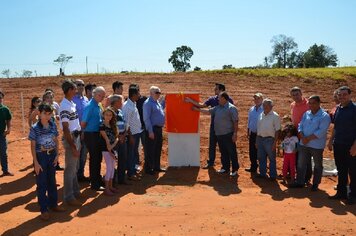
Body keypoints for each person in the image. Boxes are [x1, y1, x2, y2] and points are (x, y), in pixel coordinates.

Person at [29, 103, 65, 221]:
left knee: (52, 181)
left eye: (49, 114)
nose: (47, 116)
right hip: (41, 157)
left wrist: (57, 155)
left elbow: (56, 140)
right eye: (45, 113)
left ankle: (53, 204)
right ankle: (44, 209)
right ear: (39, 113)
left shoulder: (52, 125)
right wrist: (36, 162)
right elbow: (33, 146)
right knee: (42, 183)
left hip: (51, 156)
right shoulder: (35, 128)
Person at [185, 83, 234, 169]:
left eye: (216, 89)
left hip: (225, 128)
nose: (214, 90)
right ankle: (211, 162)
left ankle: (226, 165)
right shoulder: (212, 99)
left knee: (224, 146)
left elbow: (232, 115)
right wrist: (190, 101)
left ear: (221, 90)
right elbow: (202, 105)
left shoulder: (228, 100)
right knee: (212, 145)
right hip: (214, 126)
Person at [193, 92, 239, 176]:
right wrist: (197, 110)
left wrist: (235, 133)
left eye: (219, 98)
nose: (218, 99)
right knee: (223, 152)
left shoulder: (232, 108)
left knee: (232, 152)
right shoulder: (218, 108)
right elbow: (208, 111)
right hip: (219, 134)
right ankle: (225, 168)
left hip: (228, 134)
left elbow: (235, 122)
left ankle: (235, 169)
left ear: (224, 99)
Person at [290, 95, 331, 191]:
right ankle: (300, 182)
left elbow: (321, 131)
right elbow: (300, 125)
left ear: (318, 103)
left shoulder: (324, 116)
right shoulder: (307, 113)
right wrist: (302, 136)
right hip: (303, 144)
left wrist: (307, 138)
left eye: (313, 103)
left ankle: (315, 183)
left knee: (317, 165)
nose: (311, 105)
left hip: (316, 146)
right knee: (301, 164)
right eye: (310, 103)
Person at [328, 86, 356, 205]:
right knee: (341, 170)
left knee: (353, 171)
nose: (342, 97)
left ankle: (354, 195)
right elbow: (336, 126)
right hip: (338, 144)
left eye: (344, 94)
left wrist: (355, 146)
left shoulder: (354, 109)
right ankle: (341, 192)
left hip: (350, 146)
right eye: (340, 95)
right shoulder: (338, 108)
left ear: (350, 95)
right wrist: (330, 140)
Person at [59, 79, 82, 206]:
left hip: (76, 136)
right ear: (69, 91)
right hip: (71, 139)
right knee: (70, 169)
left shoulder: (71, 103)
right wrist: (73, 145)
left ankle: (75, 191)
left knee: (74, 167)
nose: (76, 91)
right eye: (74, 89)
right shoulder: (64, 106)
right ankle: (68, 196)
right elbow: (66, 128)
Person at [81, 86, 106, 191]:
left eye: (103, 96)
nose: (102, 97)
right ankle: (94, 184)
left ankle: (97, 179)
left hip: (97, 134)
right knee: (94, 159)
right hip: (91, 134)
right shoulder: (90, 106)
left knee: (98, 158)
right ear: (94, 94)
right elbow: (83, 123)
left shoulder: (97, 105)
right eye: (100, 95)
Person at [290, 86, 312, 184]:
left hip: (306, 135)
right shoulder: (292, 105)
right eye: (293, 95)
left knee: (306, 158)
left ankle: (306, 178)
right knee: (297, 156)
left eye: (297, 94)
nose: (295, 97)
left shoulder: (308, 104)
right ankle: (299, 176)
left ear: (301, 94)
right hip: (296, 135)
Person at [143, 86, 166, 175]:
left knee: (157, 148)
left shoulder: (157, 102)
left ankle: (156, 166)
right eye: (157, 92)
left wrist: (165, 101)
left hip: (158, 129)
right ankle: (149, 169)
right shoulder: (148, 103)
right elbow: (146, 118)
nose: (159, 94)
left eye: (160, 92)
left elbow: (160, 110)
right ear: (151, 93)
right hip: (152, 129)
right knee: (150, 150)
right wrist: (150, 131)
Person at [256, 98, 281, 180]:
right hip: (260, 139)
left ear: (271, 106)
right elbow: (258, 128)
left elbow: (277, 130)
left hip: (270, 140)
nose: (265, 106)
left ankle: (273, 175)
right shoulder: (261, 114)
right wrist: (257, 140)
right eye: (264, 105)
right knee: (261, 157)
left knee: (271, 158)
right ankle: (262, 173)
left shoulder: (275, 116)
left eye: (267, 105)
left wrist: (275, 143)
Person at [123, 86, 144, 180]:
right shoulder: (127, 106)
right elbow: (126, 123)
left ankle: (133, 170)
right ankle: (131, 173)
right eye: (138, 93)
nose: (139, 95)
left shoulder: (133, 103)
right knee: (131, 154)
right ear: (134, 94)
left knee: (134, 153)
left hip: (137, 132)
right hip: (132, 134)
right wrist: (130, 136)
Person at [99, 107, 120, 196]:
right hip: (106, 150)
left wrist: (113, 145)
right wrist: (111, 148)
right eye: (106, 115)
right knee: (109, 168)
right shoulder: (102, 125)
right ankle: (107, 189)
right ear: (103, 115)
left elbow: (116, 137)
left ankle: (110, 187)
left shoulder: (112, 125)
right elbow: (107, 140)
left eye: (110, 115)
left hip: (113, 149)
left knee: (112, 168)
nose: (108, 116)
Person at [109, 95, 129, 185]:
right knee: (112, 161)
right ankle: (112, 181)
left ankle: (121, 179)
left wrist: (124, 135)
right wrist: (118, 137)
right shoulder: (109, 112)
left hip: (122, 138)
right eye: (120, 102)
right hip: (114, 140)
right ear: (116, 102)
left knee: (123, 159)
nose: (122, 103)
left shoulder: (120, 112)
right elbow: (110, 126)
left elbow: (124, 124)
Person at [72, 79, 90, 182]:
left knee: (84, 154)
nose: (81, 86)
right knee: (76, 155)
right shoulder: (72, 100)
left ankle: (80, 174)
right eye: (79, 85)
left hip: (86, 131)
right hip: (76, 133)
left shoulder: (86, 99)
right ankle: (74, 176)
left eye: (83, 85)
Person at [129, 83, 147, 171]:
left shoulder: (143, 100)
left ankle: (145, 164)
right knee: (134, 149)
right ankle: (134, 166)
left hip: (142, 128)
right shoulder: (129, 104)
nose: (138, 94)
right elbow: (127, 121)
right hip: (133, 131)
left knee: (144, 146)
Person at [246, 93, 264, 173]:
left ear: (262, 99)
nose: (256, 100)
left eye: (258, 98)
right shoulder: (251, 109)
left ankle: (262, 169)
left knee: (260, 151)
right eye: (255, 99)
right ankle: (253, 166)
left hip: (260, 134)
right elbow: (249, 120)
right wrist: (248, 130)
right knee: (252, 151)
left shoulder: (264, 109)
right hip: (252, 133)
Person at [0, 90, 13, 176]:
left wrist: (8, 129)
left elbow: (8, 119)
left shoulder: (5, 109)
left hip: (1, 135)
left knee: (3, 153)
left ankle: (5, 170)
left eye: (0, 98)